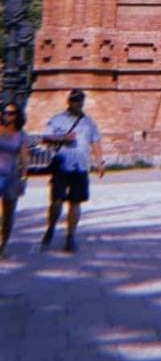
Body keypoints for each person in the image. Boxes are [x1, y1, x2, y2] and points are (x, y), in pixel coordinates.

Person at [40, 87, 105, 253]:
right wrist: (63, 138)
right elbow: (46, 138)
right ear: (69, 101)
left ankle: (70, 237)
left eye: (81, 100)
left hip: (80, 166)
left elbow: (95, 141)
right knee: (56, 201)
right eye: (75, 100)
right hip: (62, 164)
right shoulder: (58, 119)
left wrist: (99, 161)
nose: (78, 103)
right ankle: (51, 227)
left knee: (75, 202)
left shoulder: (88, 122)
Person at [0, 100, 30, 255]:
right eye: (4, 112)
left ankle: (3, 245)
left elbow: (24, 159)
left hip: (12, 176)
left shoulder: (21, 135)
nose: (6, 115)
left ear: (17, 116)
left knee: (9, 213)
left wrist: (24, 178)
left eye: (10, 113)